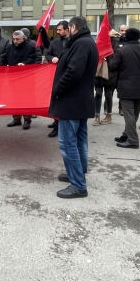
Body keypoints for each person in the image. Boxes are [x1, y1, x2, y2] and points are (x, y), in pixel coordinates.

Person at [48, 16, 98, 199]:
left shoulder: (81, 44)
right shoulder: (85, 42)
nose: (67, 31)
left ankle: (78, 184)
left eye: (68, 28)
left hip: (72, 101)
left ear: (74, 27)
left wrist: (56, 89)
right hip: (80, 101)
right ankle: (77, 173)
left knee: (68, 143)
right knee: (79, 141)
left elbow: (73, 72)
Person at [108, 28, 140, 149]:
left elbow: (112, 67)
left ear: (126, 37)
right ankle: (126, 135)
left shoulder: (121, 51)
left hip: (126, 88)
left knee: (129, 116)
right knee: (134, 115)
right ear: (138, 37)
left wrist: (109, 57)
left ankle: (133, 140)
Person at [0, 30, 37, 129]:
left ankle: (27, 120)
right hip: (13, 78)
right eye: (14, 39)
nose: (15, 41)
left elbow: (32, 59)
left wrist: (24, 63)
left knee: (26, 100)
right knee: (14, 98)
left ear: (23, 38)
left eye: (17, 39)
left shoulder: (30, 48)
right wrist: (0, 63)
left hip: (26, 78)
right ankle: (16, 119)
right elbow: (4, 57)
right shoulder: (10, 48)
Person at [45, 21, 70, 137]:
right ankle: (56, 121)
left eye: (60, 30)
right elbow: (47, 55)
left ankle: (60, 126)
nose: (58, 32)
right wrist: (52, 58)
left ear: (67, 29)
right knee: (55, 99)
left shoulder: (74, 43)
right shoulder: (54, 43)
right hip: (55, 75)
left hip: (69, 75)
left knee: (64, 101)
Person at [92, 29, 120, 126]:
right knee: (98, 94)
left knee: (108, 95)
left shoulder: (114, 42)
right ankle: (97, 116)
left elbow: (116, 56)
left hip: (110, 73)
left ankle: (109, 115)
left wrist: (107, 58)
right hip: (98, 73)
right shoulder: (98, 42)